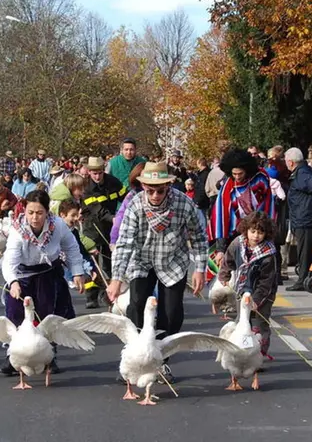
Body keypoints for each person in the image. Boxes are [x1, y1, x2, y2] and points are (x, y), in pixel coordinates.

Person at [106, 162, 208, 383]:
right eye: (149, 190)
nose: (154, 195)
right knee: (136, 305)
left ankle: (161, 362)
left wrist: (200, 269)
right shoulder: (134, 205)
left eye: (160, 190)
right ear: (142, 186)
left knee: (170, 313)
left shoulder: (184, 203)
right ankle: (134, 360)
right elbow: (124, 244)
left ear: (168, 186)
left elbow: (199, 237)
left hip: (173, 260)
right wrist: (116, 279)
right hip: (141, 261)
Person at [0, 190, 88, 375]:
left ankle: (50, 356)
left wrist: (78, 272)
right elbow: (9, 261)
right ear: (25, 211)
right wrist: (13, 282)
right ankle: (13, 357)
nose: (35, 217)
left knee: (49, 316)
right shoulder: (18, 230)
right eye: (30, 212)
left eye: (39, 213)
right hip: (23, 276)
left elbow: (71, 248)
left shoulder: (58, 226)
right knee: (16, 314)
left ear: (47, 211)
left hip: (48, 274)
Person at [217, 211, 279, 358]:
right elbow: (228, 260)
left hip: (264, 294)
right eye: (253, 231)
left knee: (260, 324)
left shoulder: (269, 254)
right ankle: (242, 353)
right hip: (242, 288)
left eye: (260, 233)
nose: (256, 236)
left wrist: (256, 301)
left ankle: (259, 355)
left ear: (266, 234)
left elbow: (266, 282)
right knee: (242, 322)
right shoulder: (238, 243)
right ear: (246, 230)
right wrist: (224, 275)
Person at [210, 149, 275, 264]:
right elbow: (222, 215)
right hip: (235, 233)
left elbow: (267, 204)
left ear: (247, 170)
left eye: (240, 173)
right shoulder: (227, 187)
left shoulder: (260, 178)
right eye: (234, 174)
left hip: (258, 230)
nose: (237, 177)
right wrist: (221, 248)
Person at [81, 156, 125, 306]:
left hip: (109, 229)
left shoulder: (113, 182)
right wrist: (114, 218)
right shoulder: (86, 187)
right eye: (94, 173)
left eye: (99, 172)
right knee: (91, 264)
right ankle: (91, 297)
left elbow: (125, 198)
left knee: (109, 262)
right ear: (89, 172)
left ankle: (110, 294)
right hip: (92, 228)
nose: (97, 176)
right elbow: (97, 211)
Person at [284, 147, 312, 291]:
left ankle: (303, 280)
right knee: (302, 251)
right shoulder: (301, 172)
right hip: (301, 217)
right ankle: (303, 277)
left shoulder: (303, 173)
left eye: (287, 161)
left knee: (305, 251)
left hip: (305, 218)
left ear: (291, 162)